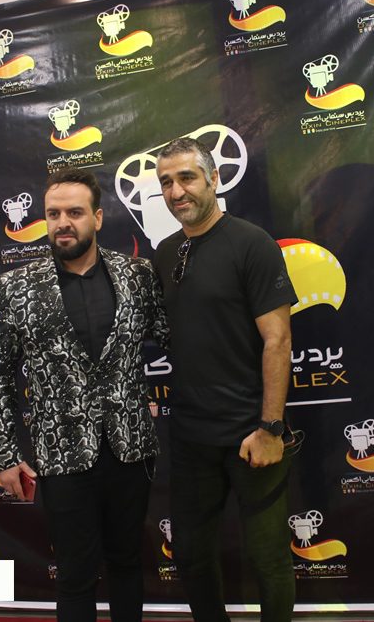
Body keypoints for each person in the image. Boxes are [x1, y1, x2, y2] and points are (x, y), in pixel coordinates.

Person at [0, 169, 170, 622]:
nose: (63, 223)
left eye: (75, 212)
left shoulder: (138, 275)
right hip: (61, 454)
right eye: (53, 214)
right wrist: (4, 454)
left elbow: (176, 338)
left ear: (98, 218)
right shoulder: (16, 287)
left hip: (130, 449)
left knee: (127, 562)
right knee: (74, 574)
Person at [152, 137, 297, 622]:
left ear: (214, 179)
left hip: (251, 434)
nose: (176, 192)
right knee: (191, 555)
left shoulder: (252, 243)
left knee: (269, 557)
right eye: (166, 183)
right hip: (191, 436)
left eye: (186, 178)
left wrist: (271, 428)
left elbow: (278, 340)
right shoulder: (165, 253)